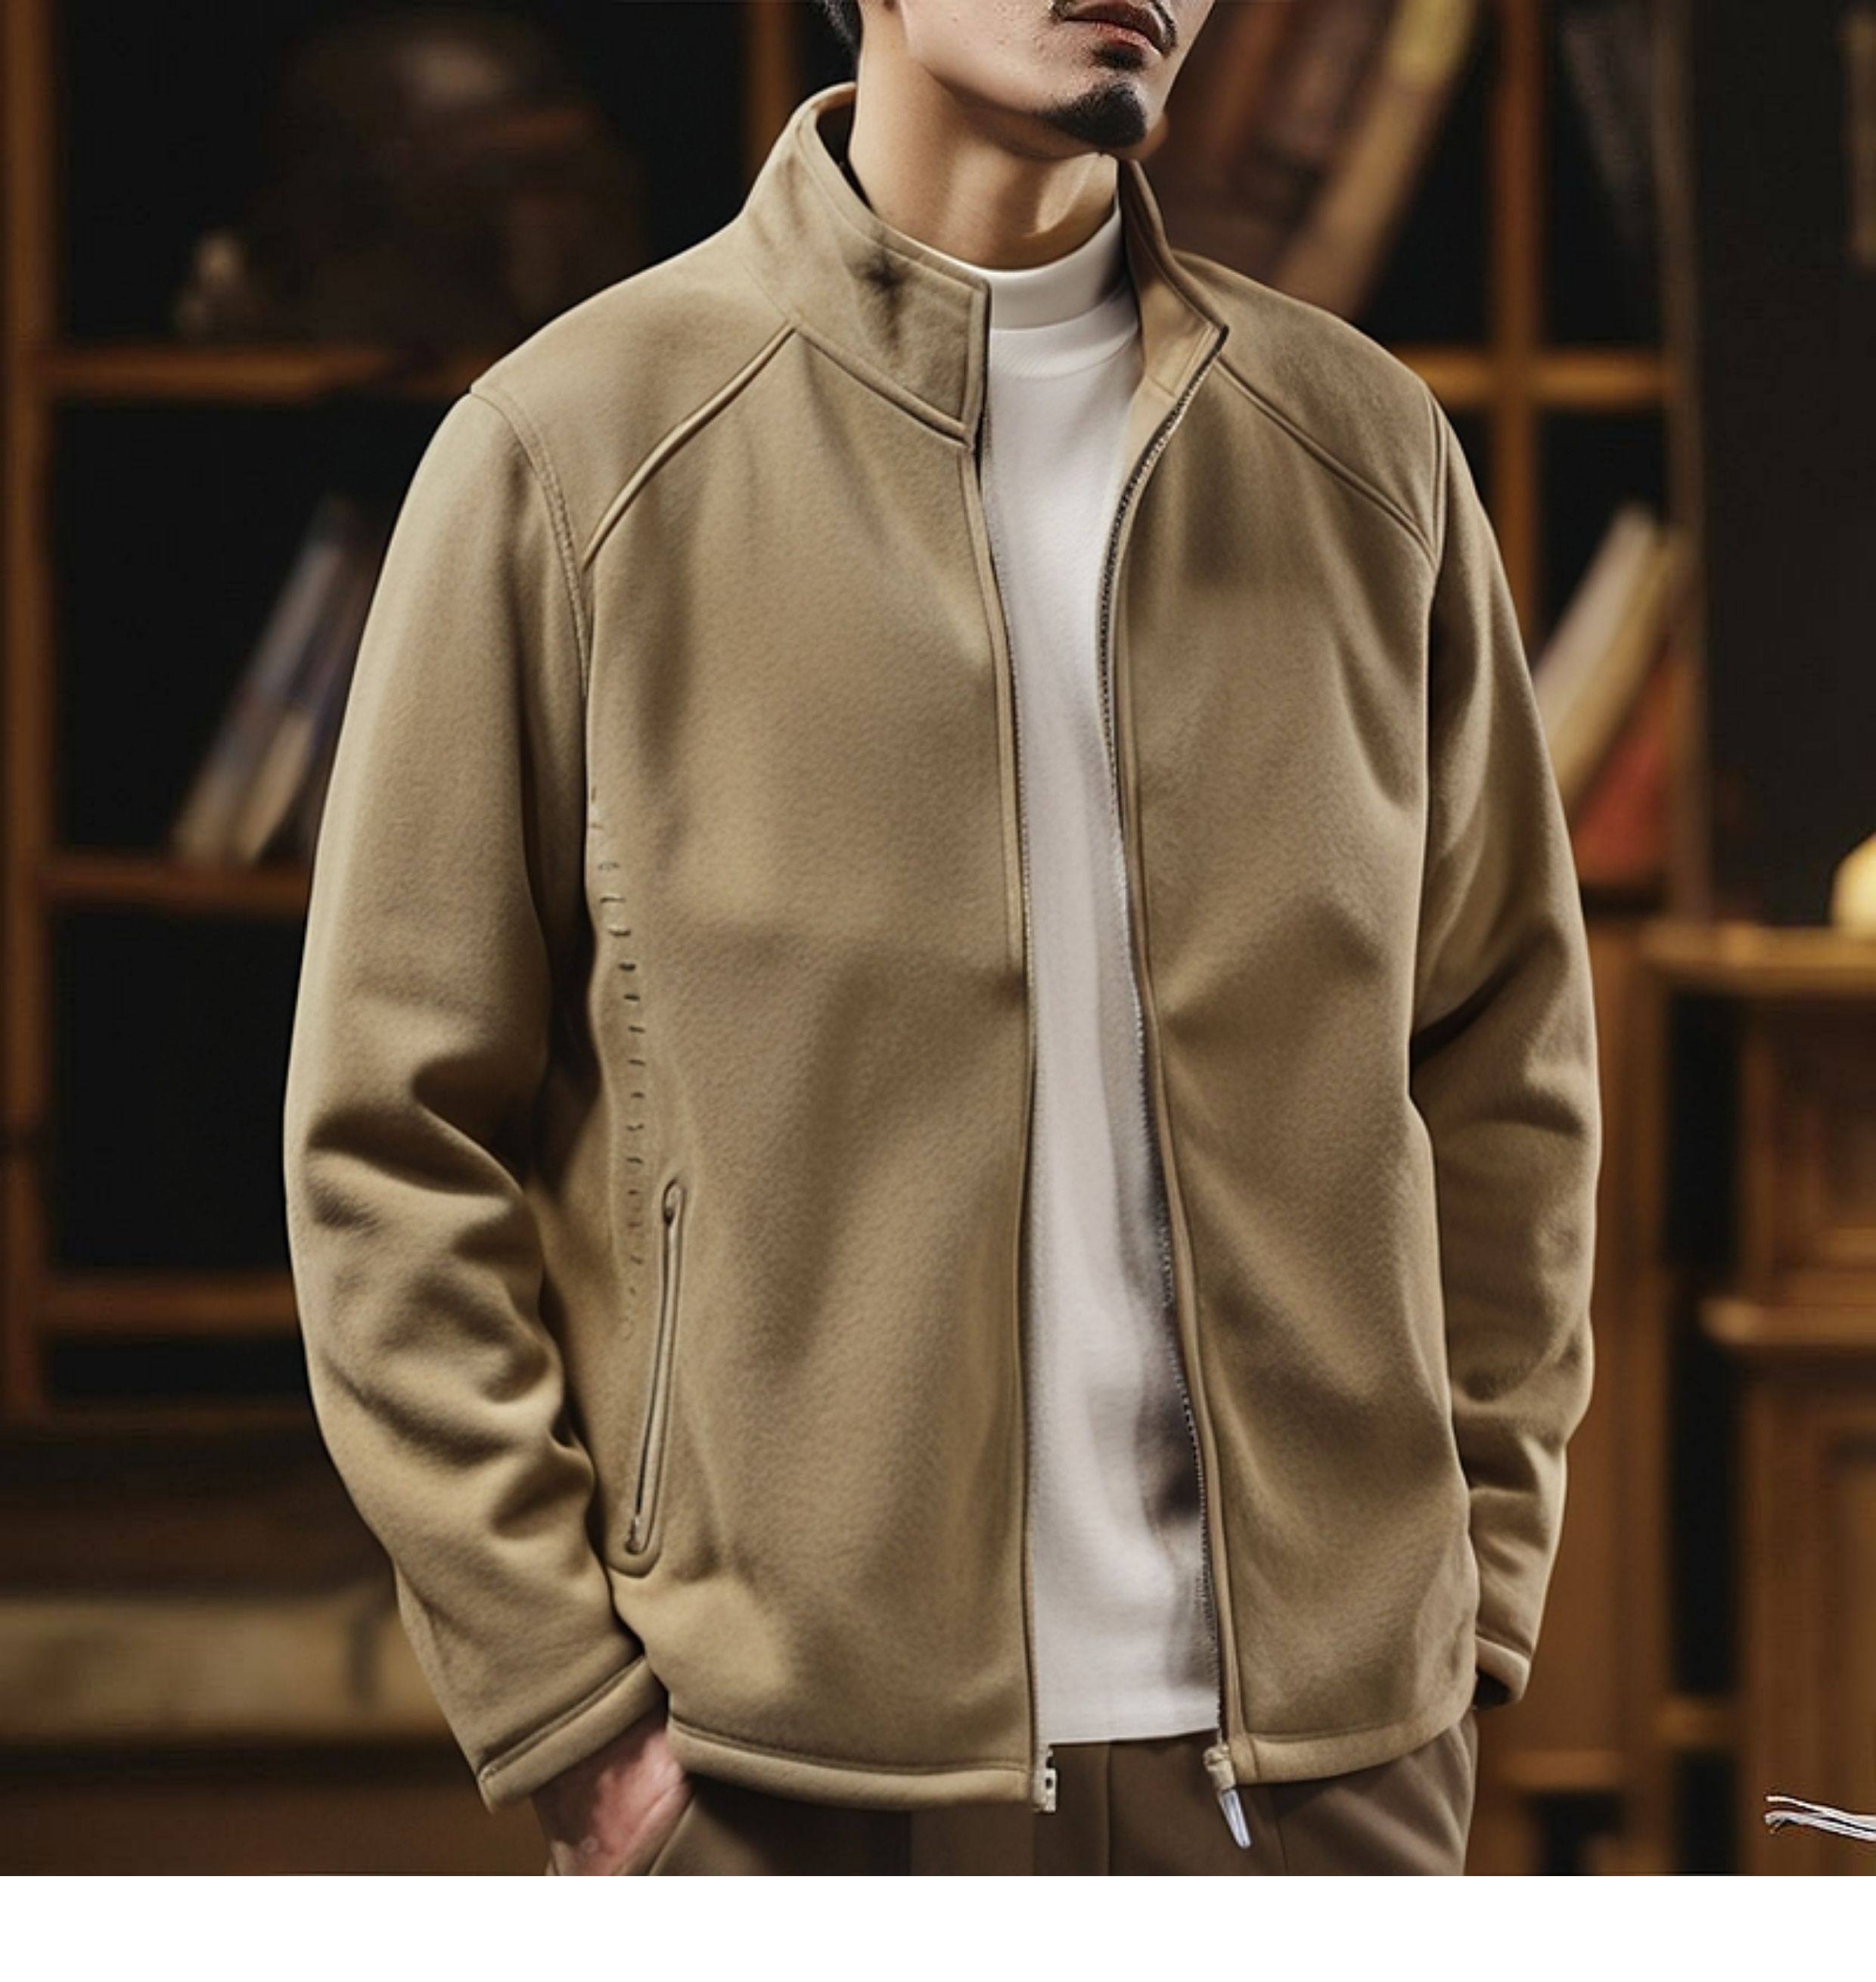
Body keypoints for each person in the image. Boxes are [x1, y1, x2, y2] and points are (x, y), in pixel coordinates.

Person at [282, 0, 1601, 1878]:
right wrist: (566, 1702)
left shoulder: (1362, 455)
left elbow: (1505, 1066)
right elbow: (388, 1145)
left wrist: (1465, 1594)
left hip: (1327, 1776)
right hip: (782, 1777)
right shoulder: (571, 453)